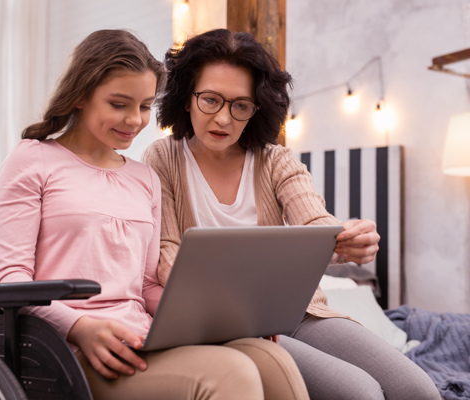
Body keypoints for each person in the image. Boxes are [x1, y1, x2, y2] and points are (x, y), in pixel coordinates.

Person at [0, 29, 309, 400]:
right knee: (232, 374)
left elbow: (144, 287)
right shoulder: (33, 159)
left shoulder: (143, 178)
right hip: (65, 349)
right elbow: (8, 281)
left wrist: (227, 320)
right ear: (79, 95)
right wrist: (79, 327)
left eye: (143, 106)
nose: (134, 120)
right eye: (118, 104)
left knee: (271, 358)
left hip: (140, 335)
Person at [142, 29, 440, 400]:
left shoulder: (276, 160)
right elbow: (168, 255)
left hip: (299, 312)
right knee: (361, 393)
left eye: (240, 105)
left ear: (256, 109)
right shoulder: (162, 159)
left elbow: (316, 226)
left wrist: (346, 240)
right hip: (224, 325)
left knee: (419, 390)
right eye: (211, 100)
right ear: (187, 98)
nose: (223, 118)